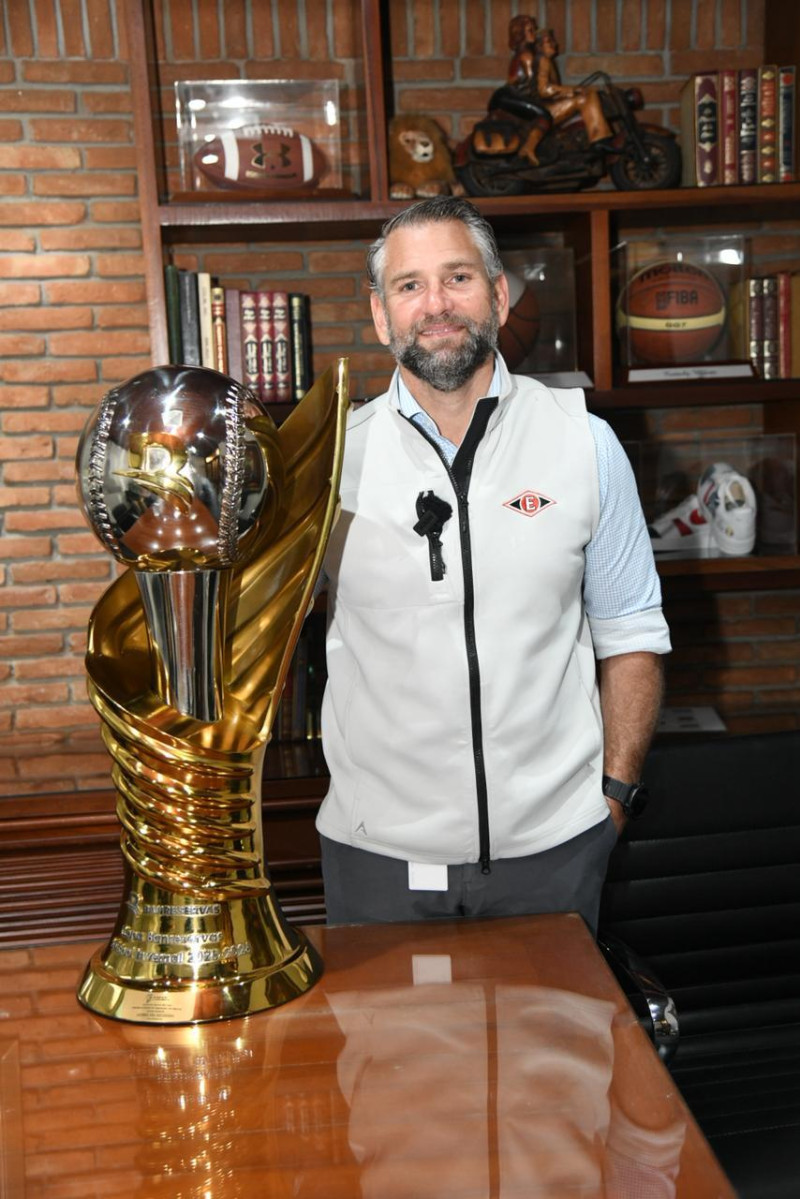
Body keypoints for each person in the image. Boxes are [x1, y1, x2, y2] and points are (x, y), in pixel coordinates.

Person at [316, 195, 670, 934]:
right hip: (378, 863)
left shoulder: (585, 443)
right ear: (381, 315)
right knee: (397, 1057)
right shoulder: (326, 465)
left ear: (500, 294)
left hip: (557, 852)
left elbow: (631, 633)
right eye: (409, 285)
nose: (436, 304)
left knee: (562, 1053)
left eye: (459, 278)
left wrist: (613, 798)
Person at [520, 27, 613, 164]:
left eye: (553, 40)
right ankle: (599, 139)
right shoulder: (543, 61)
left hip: (547, 105)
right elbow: (544, 90)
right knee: (584, 97)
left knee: (588, 92)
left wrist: (572, 90)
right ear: (540, 46)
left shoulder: (548, 61)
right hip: (545, 110)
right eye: (549, 41)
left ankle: (596, 137)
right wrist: (572, 90)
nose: (554, 44)